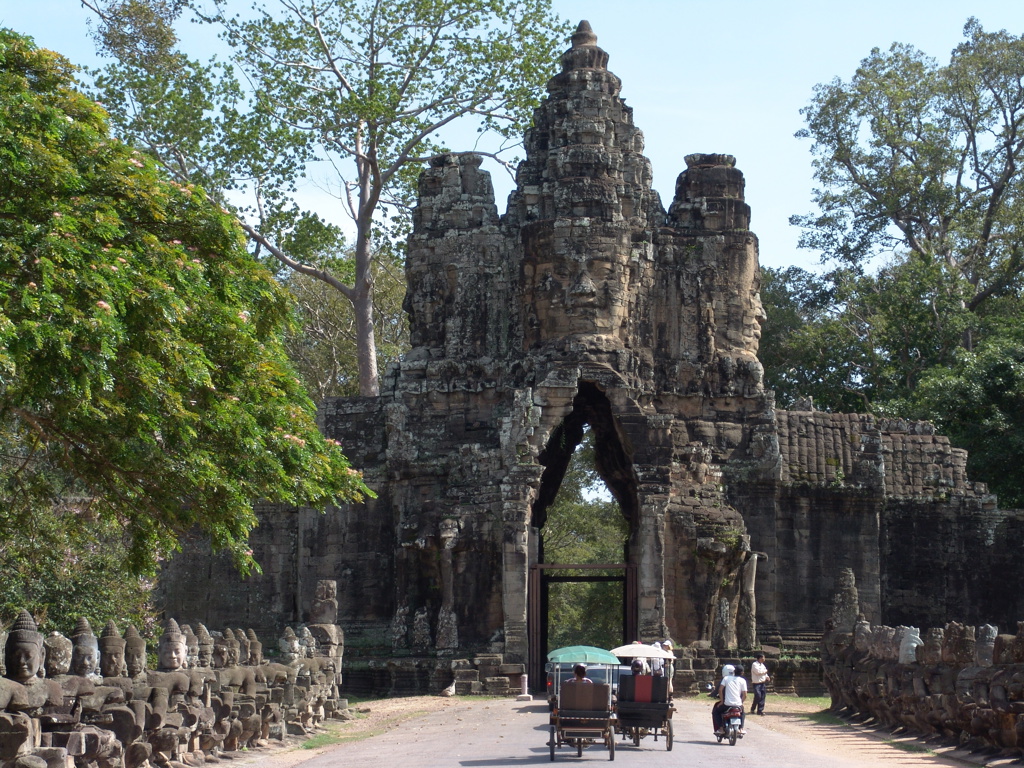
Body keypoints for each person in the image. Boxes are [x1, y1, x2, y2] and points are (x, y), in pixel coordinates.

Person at [711, 664, 747, 735]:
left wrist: (721, 701)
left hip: (726, 704)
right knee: (742, 712)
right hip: (738, 705)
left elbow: (720, 690)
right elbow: (745, 695)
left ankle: (721, 728)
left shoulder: (726, 678)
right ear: (742, 673)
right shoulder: (743, 681)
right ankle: (741, 728)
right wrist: (741, 702)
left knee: (716, 711)